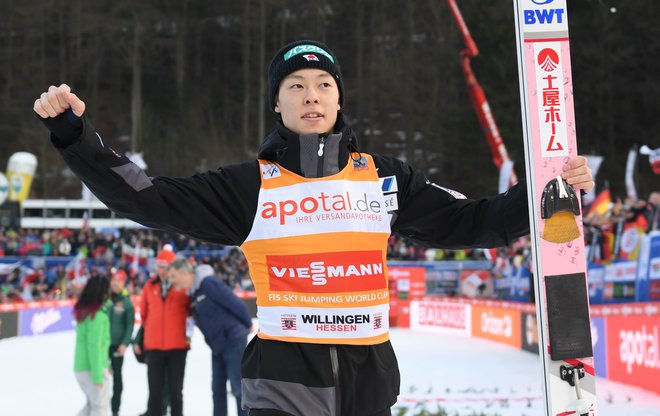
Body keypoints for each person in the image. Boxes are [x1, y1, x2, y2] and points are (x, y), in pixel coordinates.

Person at [34, 39, 594, 415]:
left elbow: (472, 221)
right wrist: (75, 138)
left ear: (339, 100)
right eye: (296, 85)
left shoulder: (383, 178)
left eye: (323, 85)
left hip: (368, 378)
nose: (312, 95)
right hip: (283, 379)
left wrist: (551, 192)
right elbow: (149, 199)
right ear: (277, 104)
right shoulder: (250, 185)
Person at [169, 258, 252, 416]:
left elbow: (234, 302)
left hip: (233, 341)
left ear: (185, 273)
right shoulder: (194, 293)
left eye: (173, 276)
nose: (172, 281)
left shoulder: (208, 283)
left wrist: (247, 324)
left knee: (238, 389)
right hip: (218, 347)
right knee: (217, 390)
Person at [131, 247, 191, 416]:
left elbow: (190, 313)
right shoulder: (149, 286)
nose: (161, 270)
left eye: (164, 266)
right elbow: (143, 315)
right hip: (154, 348)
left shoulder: (182, 287)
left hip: (178, 348)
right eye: (158, 266)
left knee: (176, 393)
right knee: (155, 393)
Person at [73, 275, 111, 416]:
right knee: (99, 407)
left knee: (92, 405)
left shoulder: (86, 313)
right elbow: (94, 346)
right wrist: (97, 375)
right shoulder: (97, 316)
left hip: (82, 367)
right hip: (92, 368)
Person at [108, 269, 135, 416]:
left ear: (123, 283)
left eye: (118, 281)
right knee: (100, 377)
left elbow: (130, 325)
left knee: (117, 379)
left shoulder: (127, 301)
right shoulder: (106, 298)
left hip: (117, 346)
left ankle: (115, 409)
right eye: (113, 280)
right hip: (103, 345)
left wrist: (125, 343)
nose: (115, 283)